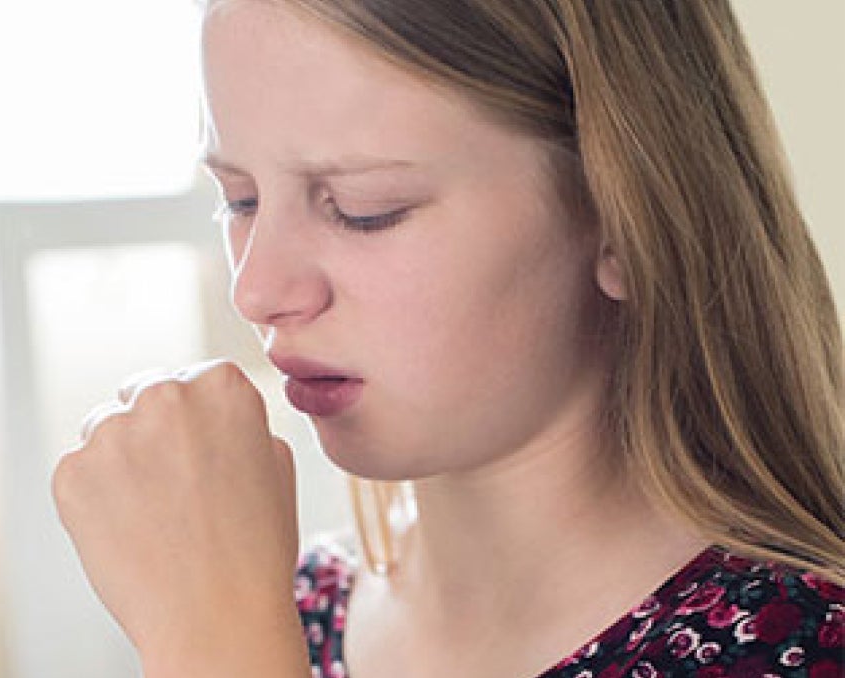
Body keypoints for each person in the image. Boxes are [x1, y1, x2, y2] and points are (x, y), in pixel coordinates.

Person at [52, 1, 844, 677]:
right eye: (240, 200)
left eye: (365, 208)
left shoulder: (801, 644)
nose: (256, 292)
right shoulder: (281, 604)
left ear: (625, 221)